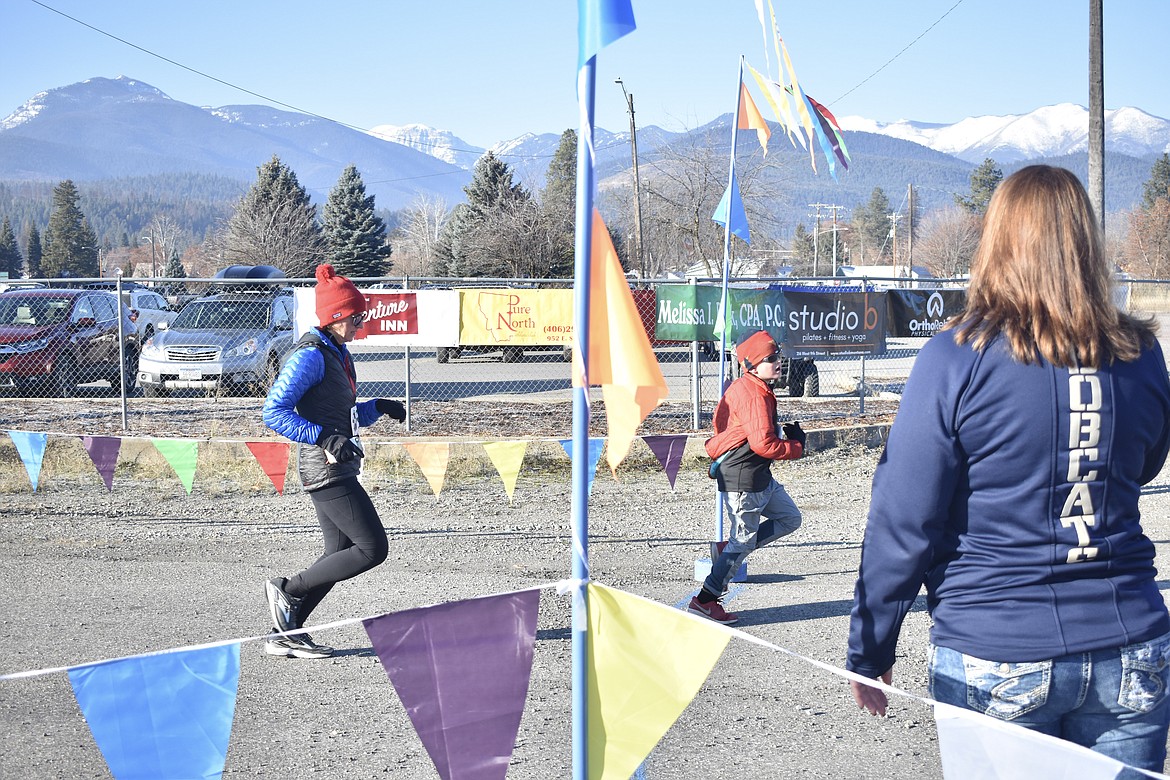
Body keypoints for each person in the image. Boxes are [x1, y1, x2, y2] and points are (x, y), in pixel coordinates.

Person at [846, 165, 1170, 772]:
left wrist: (871, 647)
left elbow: (904, 518)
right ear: (1085, 242)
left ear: (996, 241)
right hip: (1130, 647)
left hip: (997, 651)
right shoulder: (1140, 353)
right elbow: (1146, 462)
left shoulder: (957, 357)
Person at [260, 263, 407, 659]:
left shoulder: (335, 350)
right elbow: (273, 411)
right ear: (336, 317)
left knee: (335, 553)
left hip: (337, 464)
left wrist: (378, 406)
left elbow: (337, 412)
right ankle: (287, 590)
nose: (361, 323)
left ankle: (284, 634)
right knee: (372, 548)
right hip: (324, 469)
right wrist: (324, 437)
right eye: (355, 317)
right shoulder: (310, 356)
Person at [691, 329, 805, 625]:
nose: (779, 362)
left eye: (778, 355)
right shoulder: (754, 394)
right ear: (753, 365)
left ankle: (726, 552)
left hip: (758, 476)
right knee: (742, 541)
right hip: (744, 479)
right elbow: (763, 445)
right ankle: (705, 600)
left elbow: (737, 430)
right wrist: (797, 446)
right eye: (771, 358)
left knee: (789, 518)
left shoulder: (752, 386)